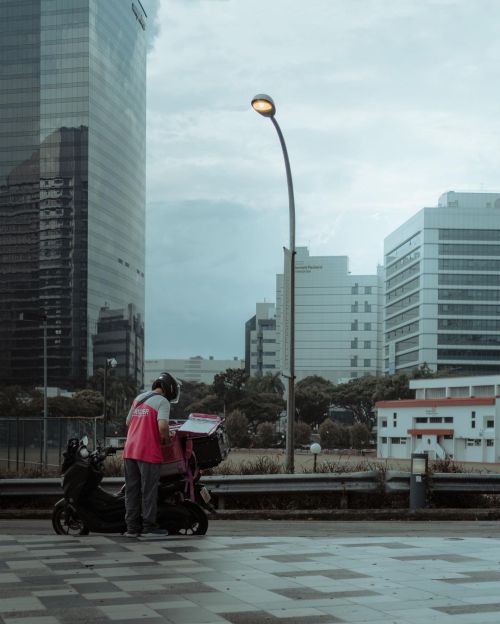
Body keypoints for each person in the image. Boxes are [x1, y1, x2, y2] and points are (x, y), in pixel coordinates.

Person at [123, 372, 181, 537]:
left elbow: (128, 422)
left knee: (131, 491)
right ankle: (149, 528)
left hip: (130, 450)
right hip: (147, 451)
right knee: (148, 491)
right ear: (169, 389)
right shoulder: (162, 402)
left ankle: (132, 529)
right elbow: (163, 427)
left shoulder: (139, 397)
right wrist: (165, 439)